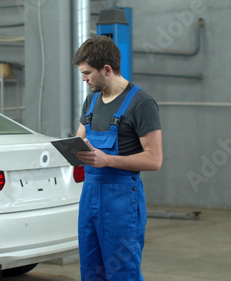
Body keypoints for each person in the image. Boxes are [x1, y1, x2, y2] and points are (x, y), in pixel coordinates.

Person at [72, 35, 163, 281]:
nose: (84, 79)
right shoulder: (91, 101)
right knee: (91, 272)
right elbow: (81, 140)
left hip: (121, 203)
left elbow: (154, 160)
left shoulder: (141, 103)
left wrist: (108, 160)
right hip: (90, 196)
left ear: (107, 69)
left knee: (122, 273)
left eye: (87, 73)